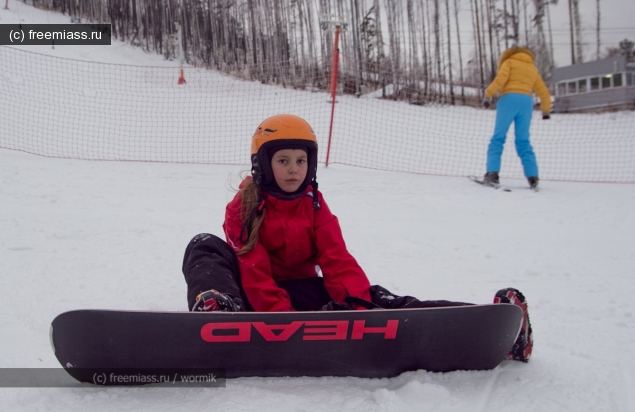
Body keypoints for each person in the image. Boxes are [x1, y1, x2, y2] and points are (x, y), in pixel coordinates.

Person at [181, 113, 533, 362]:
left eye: (301, 160)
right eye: (283, 160)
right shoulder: (244, 205)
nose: (293, 169)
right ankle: (218, 310)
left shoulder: (315, 205)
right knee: (204, 245)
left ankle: (496, 329)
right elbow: (254, 269)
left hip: (299, 292)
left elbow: (337, 259)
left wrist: (355, 308)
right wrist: (280, 320)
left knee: (377, 298)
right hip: (253, 301)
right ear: (262, 165)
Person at [482, 44, 552, 190]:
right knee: (523, 141)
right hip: (526, 102)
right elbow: (543, 90)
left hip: (508, 99)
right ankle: (533, 177)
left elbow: (500, 79)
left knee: (498, 138)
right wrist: (546, 109)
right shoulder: (532, 68)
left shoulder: (509, 62)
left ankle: (492, 174)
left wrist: (488, 94)